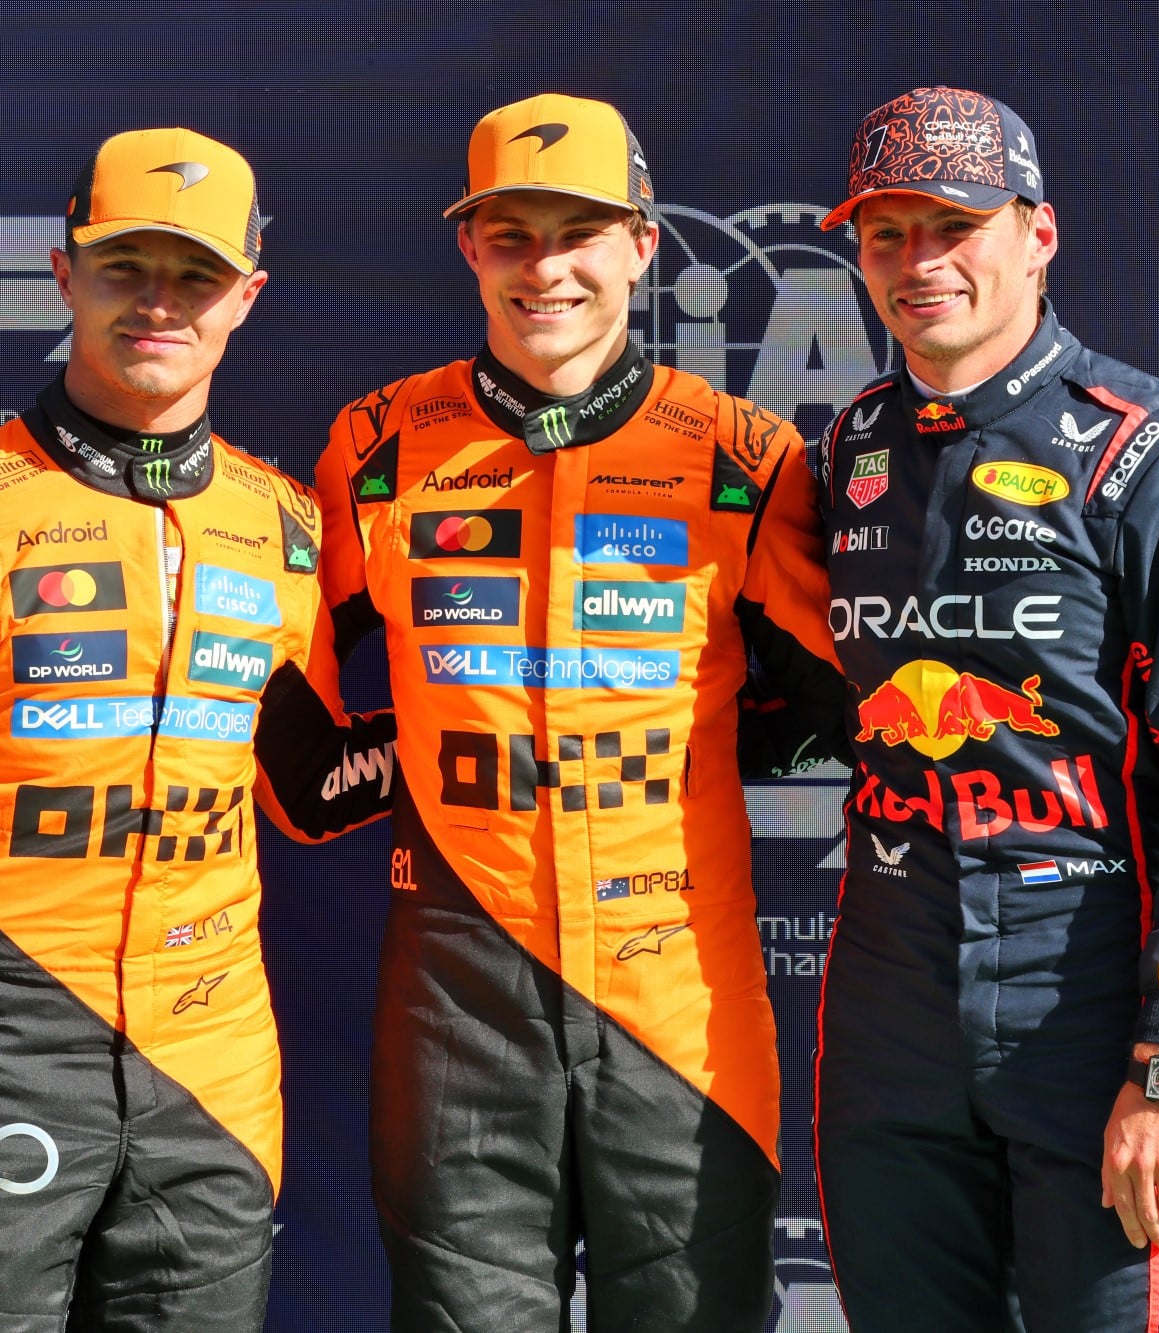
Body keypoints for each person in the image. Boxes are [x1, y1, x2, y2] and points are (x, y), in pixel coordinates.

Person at [0, 126, 394, 1331]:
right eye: (126, 266)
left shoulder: (282, 527)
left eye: (193, 274)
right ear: (65, 271)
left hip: (215, 1071)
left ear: (248, 294)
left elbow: (307, 781)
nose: (158, 304)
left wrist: (508, 714)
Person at [310, 93, 846, 1330]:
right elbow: (294, 715)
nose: (545, 268)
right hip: (457, 995)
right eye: (510, 235)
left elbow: (834, 705)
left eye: (581, 233)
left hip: (679, 994)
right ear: (467, 247)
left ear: (642, 245)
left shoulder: (742, 455)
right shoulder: (375, 449)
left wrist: (692, 748)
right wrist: (427, 755)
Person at [807, 87, 1159, 1331]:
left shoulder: (1153, 450)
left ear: (1036, 233)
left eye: (952, 224)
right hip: (886, 1001)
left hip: (1084, 1003)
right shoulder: (848, 449)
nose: (917, 263)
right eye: (885, 233)